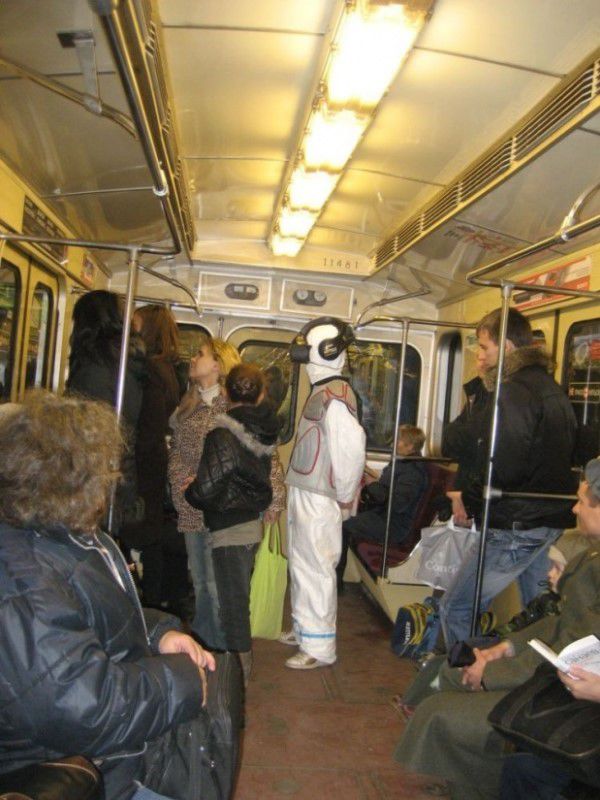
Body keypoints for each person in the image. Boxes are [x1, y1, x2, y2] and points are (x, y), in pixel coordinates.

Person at [0, 391, 217, 800]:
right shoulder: (21, 577)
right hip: (83, 774)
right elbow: (81, 707)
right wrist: (182, 681)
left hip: (115, 757)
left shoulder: (63, 534)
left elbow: (93, 614)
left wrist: (158, 634)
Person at [394, 457, 600, 800]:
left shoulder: (592, 566)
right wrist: (506, 647)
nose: (574, 510)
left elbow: (572, 647)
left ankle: (476, 786)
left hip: (570, 695)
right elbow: (558, 623)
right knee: (450, 675)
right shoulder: (590, 557)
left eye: (582, 501)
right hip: (561, 681)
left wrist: (493, 673)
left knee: (442, 715)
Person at [439, 307, 577, 648]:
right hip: (545, 520)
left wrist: (471, 498)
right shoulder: (550, 388)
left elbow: (503, 467)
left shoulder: (512, 392)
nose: (480, 354)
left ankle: (466, 675)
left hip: (516, 524)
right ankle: (535, 676)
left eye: (485, 347)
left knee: (457, 607)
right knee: (539, 614)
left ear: (507, 347)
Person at [169, 338, 285, 650]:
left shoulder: (235, 407)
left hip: (224, 506)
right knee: (201, 585)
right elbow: (178, 453)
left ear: (218, 365)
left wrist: (275, 500)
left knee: (218, 587)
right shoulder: (188, 405)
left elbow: (266, 456)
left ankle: (223, 652)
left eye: (200, 354)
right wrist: (180, 483)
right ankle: (205, 647)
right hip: (191, 504)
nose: (193, 359)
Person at [184, 363, 279, 683]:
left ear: (225, 393)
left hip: (229, 529)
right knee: (236, 599)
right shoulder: (263, 431)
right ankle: (237, 669)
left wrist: (190, 490)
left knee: (233, 605)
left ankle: (238, 676)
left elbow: (208, 486)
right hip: (249, 524)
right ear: (261, 395)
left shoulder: (223, 434)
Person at [281, 317, 366, 669]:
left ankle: (319, 647)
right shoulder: (324, 391)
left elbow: (351, 452)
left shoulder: (335, 397)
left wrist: (345, 495)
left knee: (316, 568)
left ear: (326, 352)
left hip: (320, 496)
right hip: (307, 490)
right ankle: (306, 629)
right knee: (302, 564)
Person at [66, 289, 146, 531]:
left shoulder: (95, 371)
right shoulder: (119, 363)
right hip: (113, 477)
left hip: (94, 482)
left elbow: (88, 435)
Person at [122, 304, 181, 608]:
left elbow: (149, 426)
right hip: (152, 461)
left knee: (144, 536)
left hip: (145, 464)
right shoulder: (165, 370)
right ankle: (152, 601)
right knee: (150, 536)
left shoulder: (153, 371)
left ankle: (148, 603)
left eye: (136, 324)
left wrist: (128, 463)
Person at [336, 424, 428, 592]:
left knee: (344, 527)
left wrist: (376, 488)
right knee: (348, 521)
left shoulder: (412, 472)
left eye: (399, 440)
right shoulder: (401, 463)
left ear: (410, 446)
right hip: (384, 516)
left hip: (394, 525)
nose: (394, 444)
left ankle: (337, 582)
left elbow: (399, 504)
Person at [442, 372, 489, 525]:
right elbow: (452, 437)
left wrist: (465, 497)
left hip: (476, 491)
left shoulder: (492, 395)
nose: (480, 360)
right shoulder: (476, 393)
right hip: (469, 484)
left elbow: (473, 440)